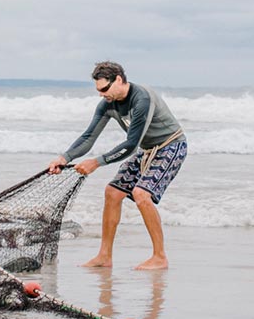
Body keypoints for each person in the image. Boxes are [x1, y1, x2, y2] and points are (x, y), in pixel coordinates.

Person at [47, 61, 186, 270]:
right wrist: (64, 158)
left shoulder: (142, 100)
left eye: (104, 89)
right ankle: (104, 256)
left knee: (141, 194)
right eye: (98, 90)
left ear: (118, 80)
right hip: (147, 150)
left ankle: (159, 257)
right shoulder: (107, 104)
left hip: (171, 146)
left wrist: (96, 162)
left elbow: (130, 145)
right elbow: (88, 137)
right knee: (112, 192)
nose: (102, 94)